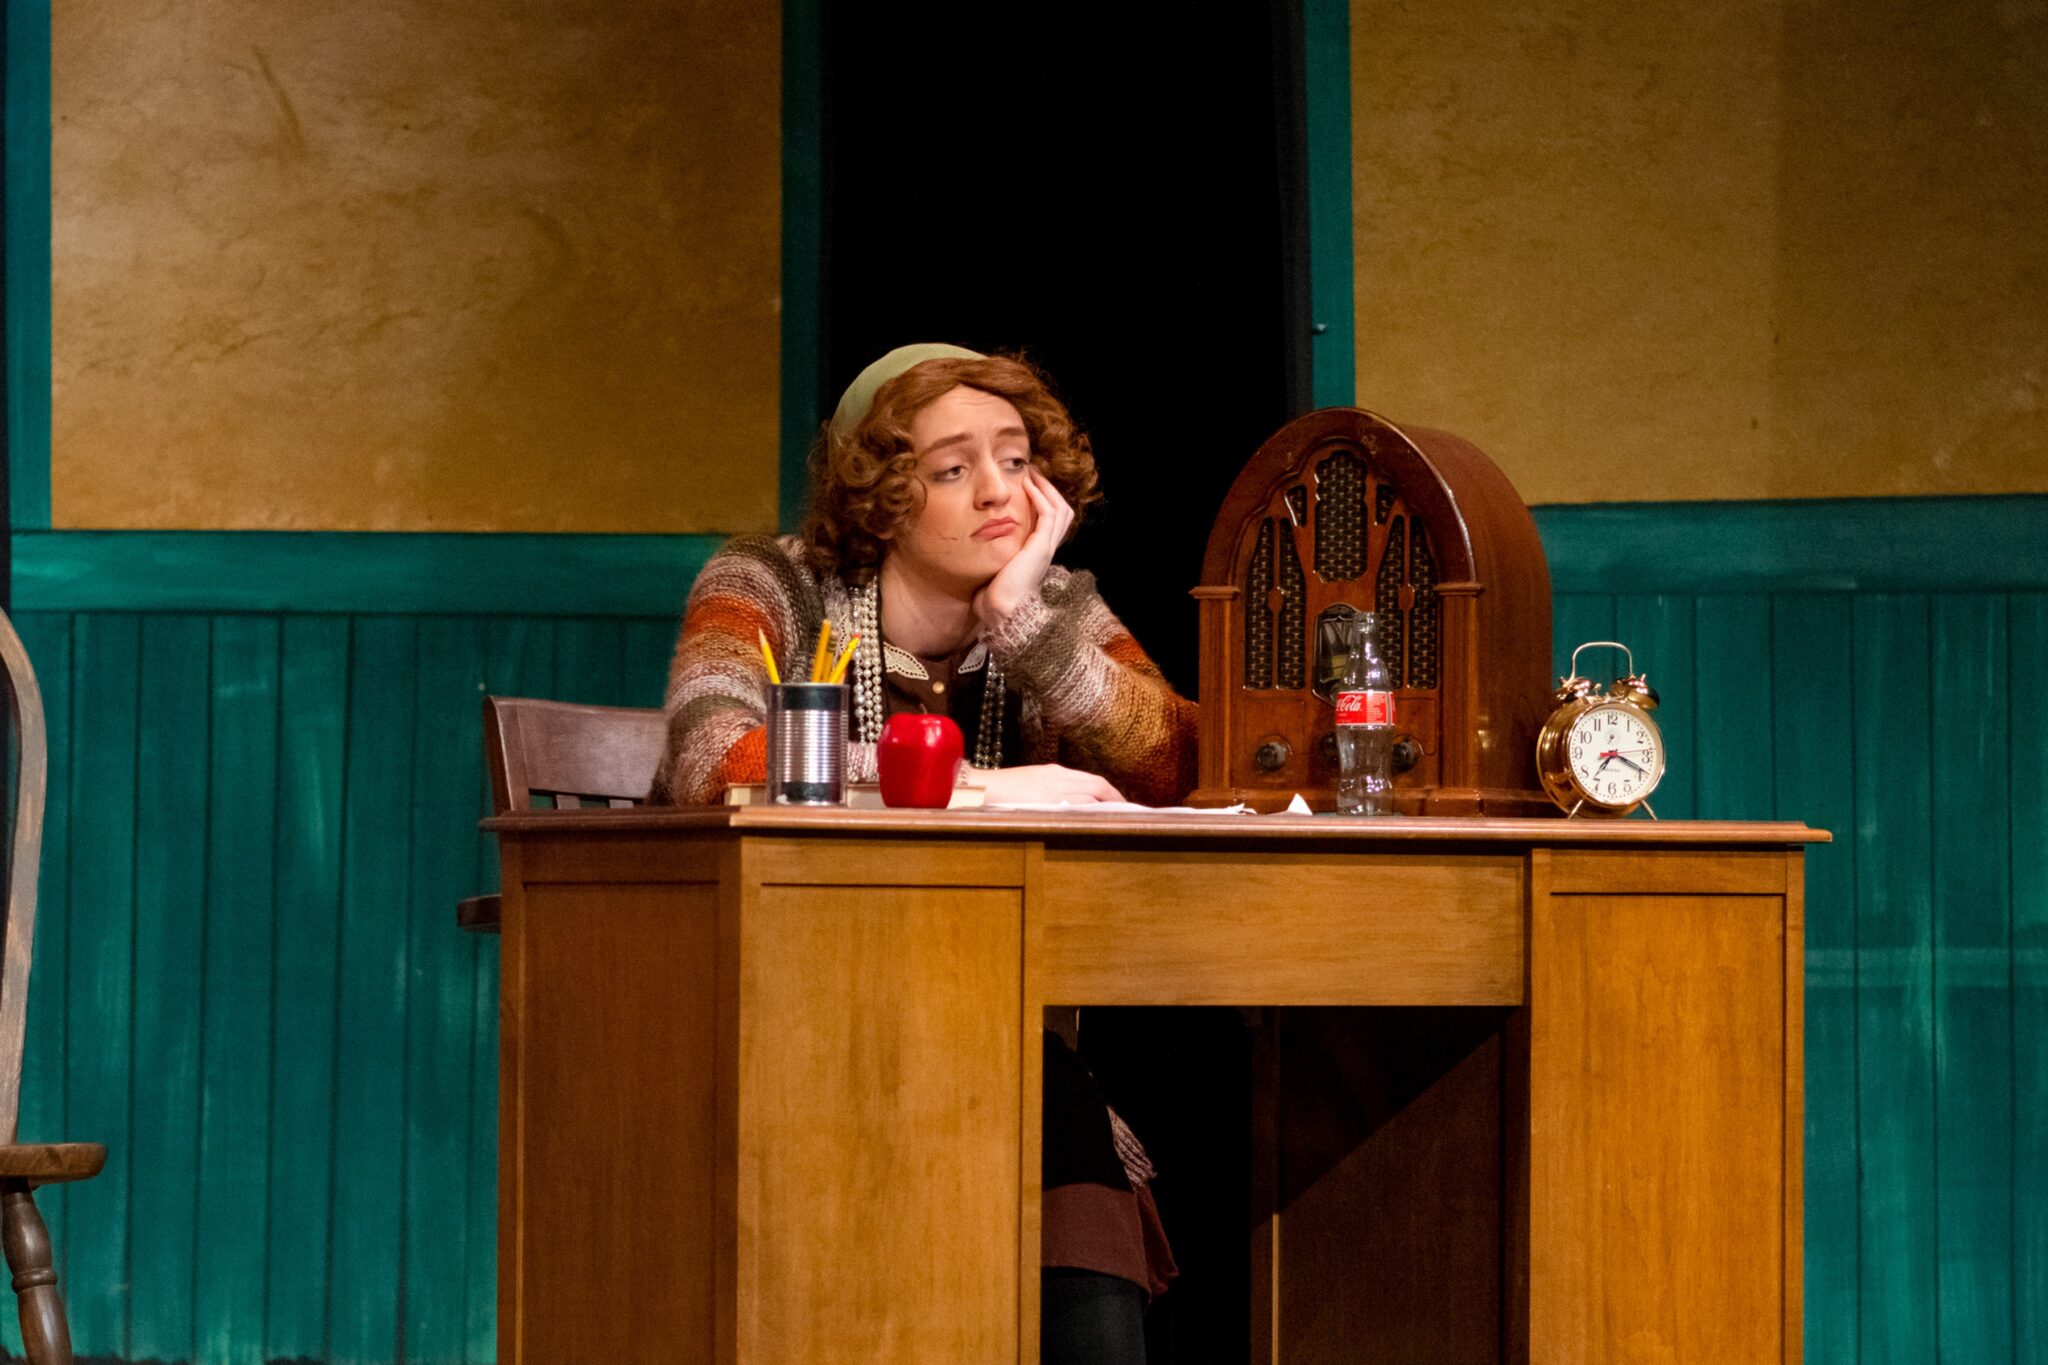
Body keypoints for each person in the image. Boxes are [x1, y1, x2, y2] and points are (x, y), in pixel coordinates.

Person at [652, 342, 1198, 1361]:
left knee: (1040, 1094)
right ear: (881, 494)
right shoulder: (770, 582)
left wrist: (1021, 623)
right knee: (1024, 1083)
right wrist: (975, 786)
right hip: (775, 1005)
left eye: (1014, 456)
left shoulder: (1053, 605)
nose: (998, 490)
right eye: (951, 469)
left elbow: (1172, 760)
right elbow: (712, 755)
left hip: (980, 1012)